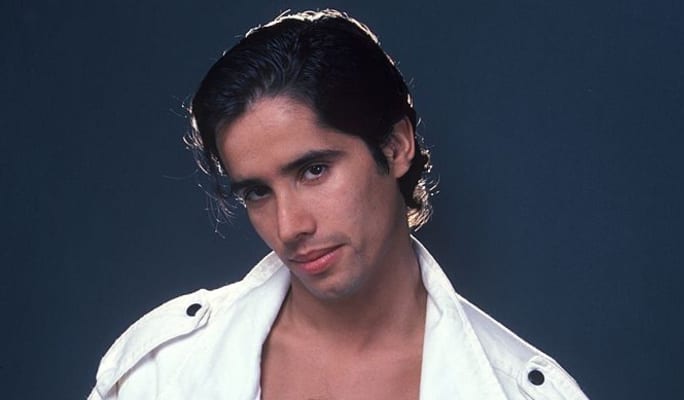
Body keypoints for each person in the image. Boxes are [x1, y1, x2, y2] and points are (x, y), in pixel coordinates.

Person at [88, 9, 588, 400]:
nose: (289, 227)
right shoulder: (161, 369)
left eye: (313, 170)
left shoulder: (515, 389)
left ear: (395, 146)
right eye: (257, 192)